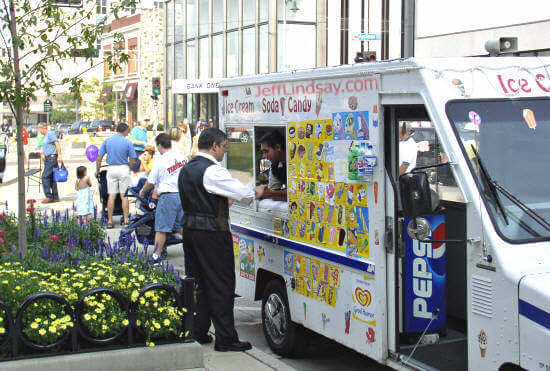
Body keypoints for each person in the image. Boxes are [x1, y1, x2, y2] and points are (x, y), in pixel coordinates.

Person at [178, 127, 257, 351]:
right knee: (221, 283)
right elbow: (243, 193)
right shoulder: (213, 170)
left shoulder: (187, 168)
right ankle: (226, 338)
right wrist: (254, 190)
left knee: (199, 282)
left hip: (190, 232)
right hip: (212, 232)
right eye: (223, 147)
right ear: (214, 146)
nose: (224, 152)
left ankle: (199, 330)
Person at [139, 133, 187, 265]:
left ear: (160, 145)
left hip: (167, 196)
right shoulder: (182, 157)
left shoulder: (161, 161)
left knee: (161, 228)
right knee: (180, 227)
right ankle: (195, 250)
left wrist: (142, 192)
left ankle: (156, 256)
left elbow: (150, 181)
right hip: (182, 195)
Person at [95, 123, 137, 228]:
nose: (128, 133)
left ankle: (110, 221)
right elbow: (133, 159)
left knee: (111, 195)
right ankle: (126, 219)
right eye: (127, 131)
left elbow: (99, 157)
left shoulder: (107, 141)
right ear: (124, 130)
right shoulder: (127, 142)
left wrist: (97, 170)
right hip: (123, 168)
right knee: (124, 195)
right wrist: (130, 168)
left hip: (111, 168)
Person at [254, 130, 287, 201]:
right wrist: (267, 192)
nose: (264, 156)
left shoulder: (296, 163)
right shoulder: (275, 166)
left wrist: (272, 193)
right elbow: (273, 190)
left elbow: (297, 193)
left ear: (278, 147)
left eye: (266, 151)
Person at [37, 122, 62, 204]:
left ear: (42, 128)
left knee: (45, 176)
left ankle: (48, 196)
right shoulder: (44, 136)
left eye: (39, 129)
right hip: (47, 158)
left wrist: (60, 155)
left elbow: (57, 144)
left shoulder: (50, 134)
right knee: (51, 178)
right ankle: (55, 196)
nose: (39, 131)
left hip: (52, 158)